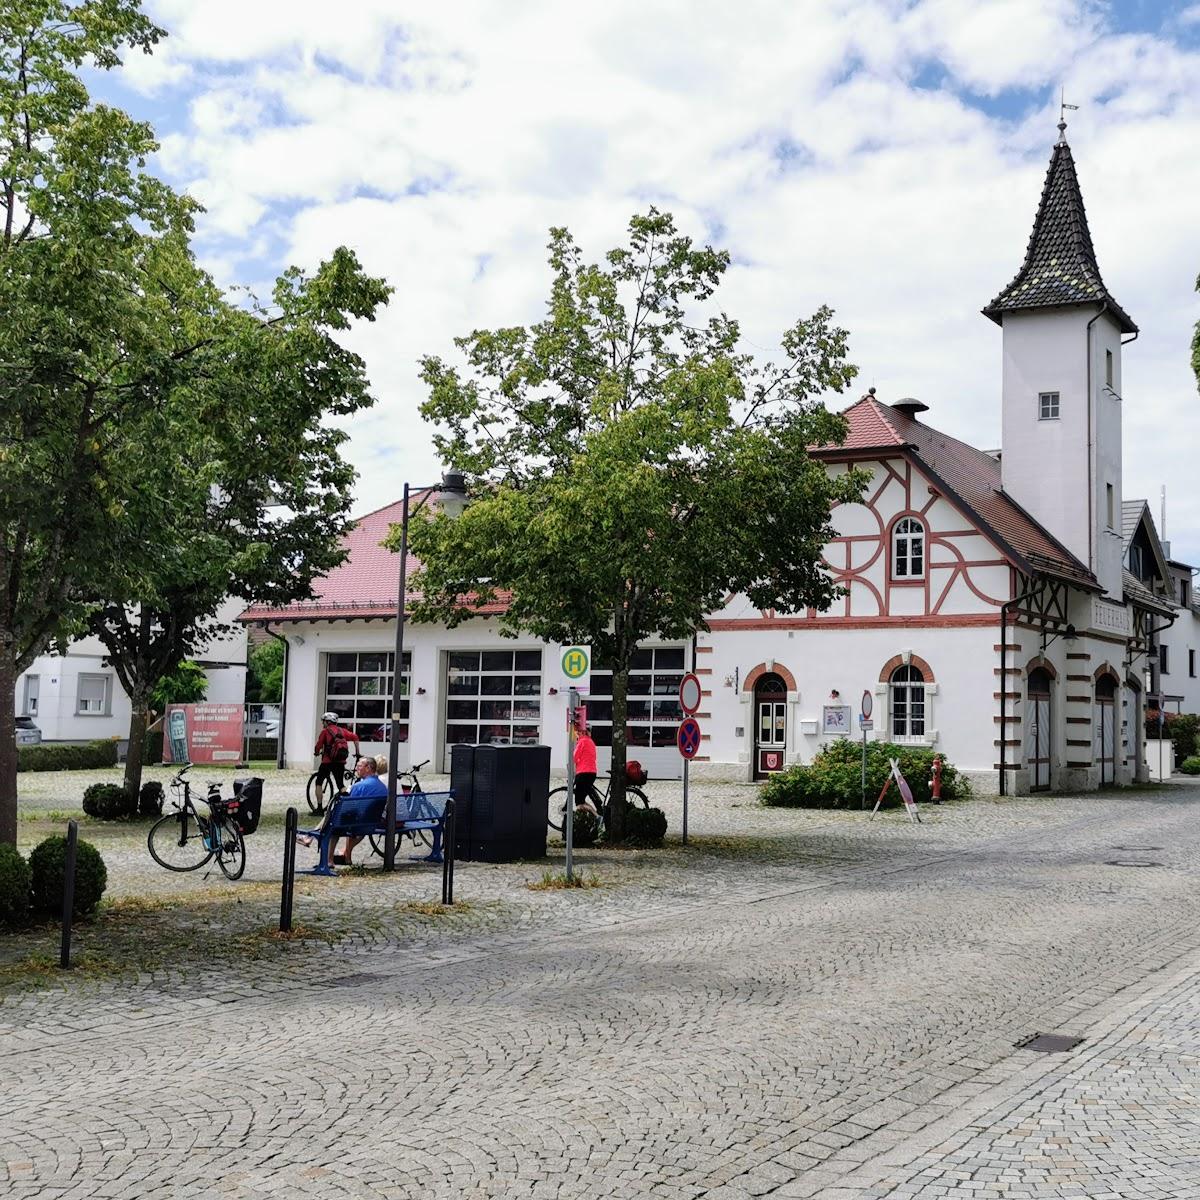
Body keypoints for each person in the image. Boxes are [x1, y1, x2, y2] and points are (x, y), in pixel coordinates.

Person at [313, 711, 360, 801]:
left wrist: (316, 752)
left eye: (324, 721)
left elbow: (318, 745)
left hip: (327, 762)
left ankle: (319, 808)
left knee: (319, 782)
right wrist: (357, 752)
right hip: (340, 761)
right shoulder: (342, 731)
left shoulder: (325, 731)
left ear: (327, 722)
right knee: (341, 785)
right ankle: (346, 803)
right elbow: (355, 737)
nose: (323, 723)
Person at [573, 723, 598, 815]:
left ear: (583, 732)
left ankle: (597, 817)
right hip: (591, 772)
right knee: (581, 800)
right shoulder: (591, 741)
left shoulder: (582, 741)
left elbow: (574, 757)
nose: (577, 733)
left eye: (578, 731)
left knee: (579, 803)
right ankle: (594, 816)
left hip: (584, 773)